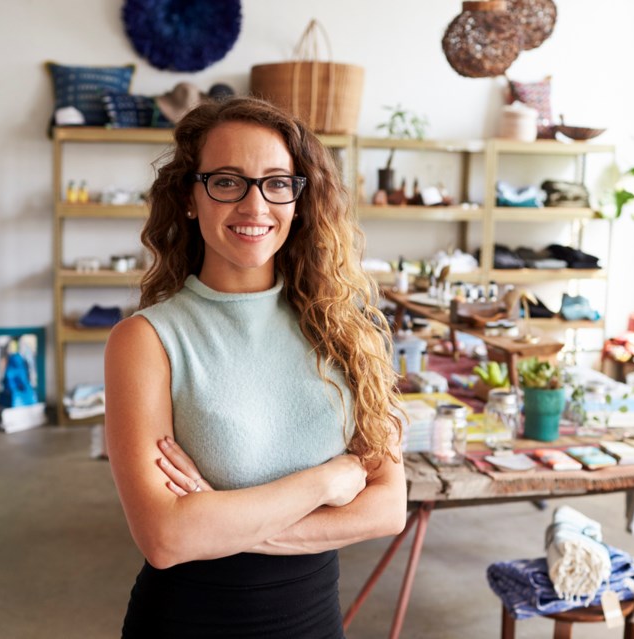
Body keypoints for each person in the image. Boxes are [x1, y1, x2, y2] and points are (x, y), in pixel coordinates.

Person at [104, 97, 407, 638]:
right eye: (227, 181)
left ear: (298, 199)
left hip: (316, 624)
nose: (254, 205)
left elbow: (387, 508)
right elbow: (165, 538)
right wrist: (326, 479)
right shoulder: (146, 342)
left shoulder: (345, 328)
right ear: (191, 197)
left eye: (276, 183)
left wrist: (219, 519)